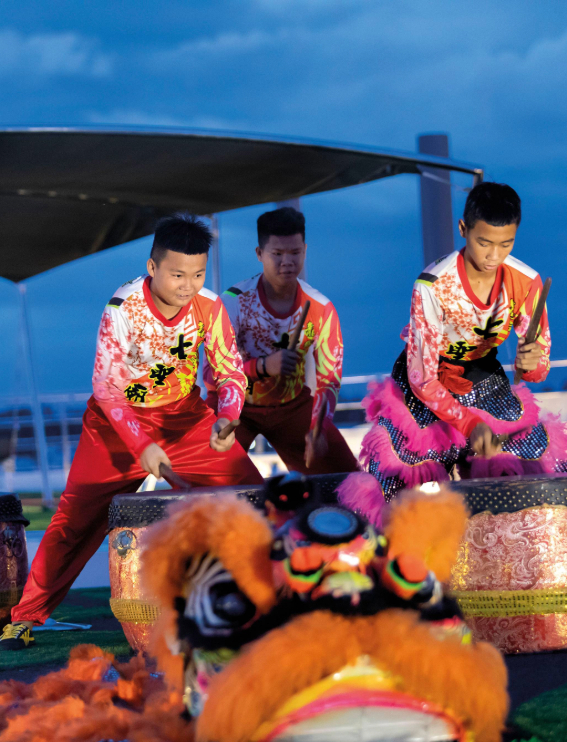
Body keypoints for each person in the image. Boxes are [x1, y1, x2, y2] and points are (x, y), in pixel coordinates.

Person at [1, 213, 262, 650]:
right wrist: (141, 445)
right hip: (115, 424)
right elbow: (105, 387)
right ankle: (25, 617)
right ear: (152, 267)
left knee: (254, 499)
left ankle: (267, 599)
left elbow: (231, 371)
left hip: (185, 418)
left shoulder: (210, 306)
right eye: (177, 274)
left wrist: (228, 417)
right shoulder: (123, 308)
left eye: (197, 274)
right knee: (74, 521)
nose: (187, 285)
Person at [360, 182, 566, 507]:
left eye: (506, 244)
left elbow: (536, 371)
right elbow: (421, 378)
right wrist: (470, 424)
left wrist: (533, 362)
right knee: (398, 481)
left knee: (533, 466)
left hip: (482, 378)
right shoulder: (432, 285)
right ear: (463, 229)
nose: (494, 256)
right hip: (425, 384)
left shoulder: (528, 282)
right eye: (484, 242)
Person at [206, 207, 358, 475]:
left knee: (347, 479)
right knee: (210, 479)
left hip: (292, 408)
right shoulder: (233, 301)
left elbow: (329, 379)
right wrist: (263, 366)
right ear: (259, 254)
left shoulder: (321, 307)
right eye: (277, 254)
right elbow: (210, 372)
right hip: (234, 408)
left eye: (295, 253)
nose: (287, 261)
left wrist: (318, 427)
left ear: (305, 250)